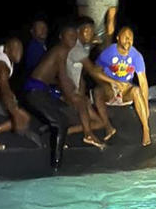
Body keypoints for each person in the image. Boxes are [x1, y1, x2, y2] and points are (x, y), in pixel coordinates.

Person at [24, 22, 105, 170]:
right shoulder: (60, 50)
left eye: (75, 37)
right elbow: (62, 76)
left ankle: (44, 130)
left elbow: (58, 77)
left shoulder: (60, 51)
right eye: (69, 36)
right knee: (62, 122)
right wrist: (71, 95)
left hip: (43, 90)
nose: (73, 40)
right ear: (61, 37)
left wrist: (69, 92)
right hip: (35, 91)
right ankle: (56, 166)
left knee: (65, 111)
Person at [94, 26, 152, 146]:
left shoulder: (136, 56)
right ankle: (108, 127)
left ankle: (146, 130)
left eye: (131, 38)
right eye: (125, 37)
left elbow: (143, 81)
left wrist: (146, 105)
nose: (128, 40)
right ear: (118, 38)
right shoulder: (109, 52)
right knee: (97, 91)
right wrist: (113, 82)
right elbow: (95, 72)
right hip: (109, 89)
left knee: (136, 90)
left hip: (125, 91)